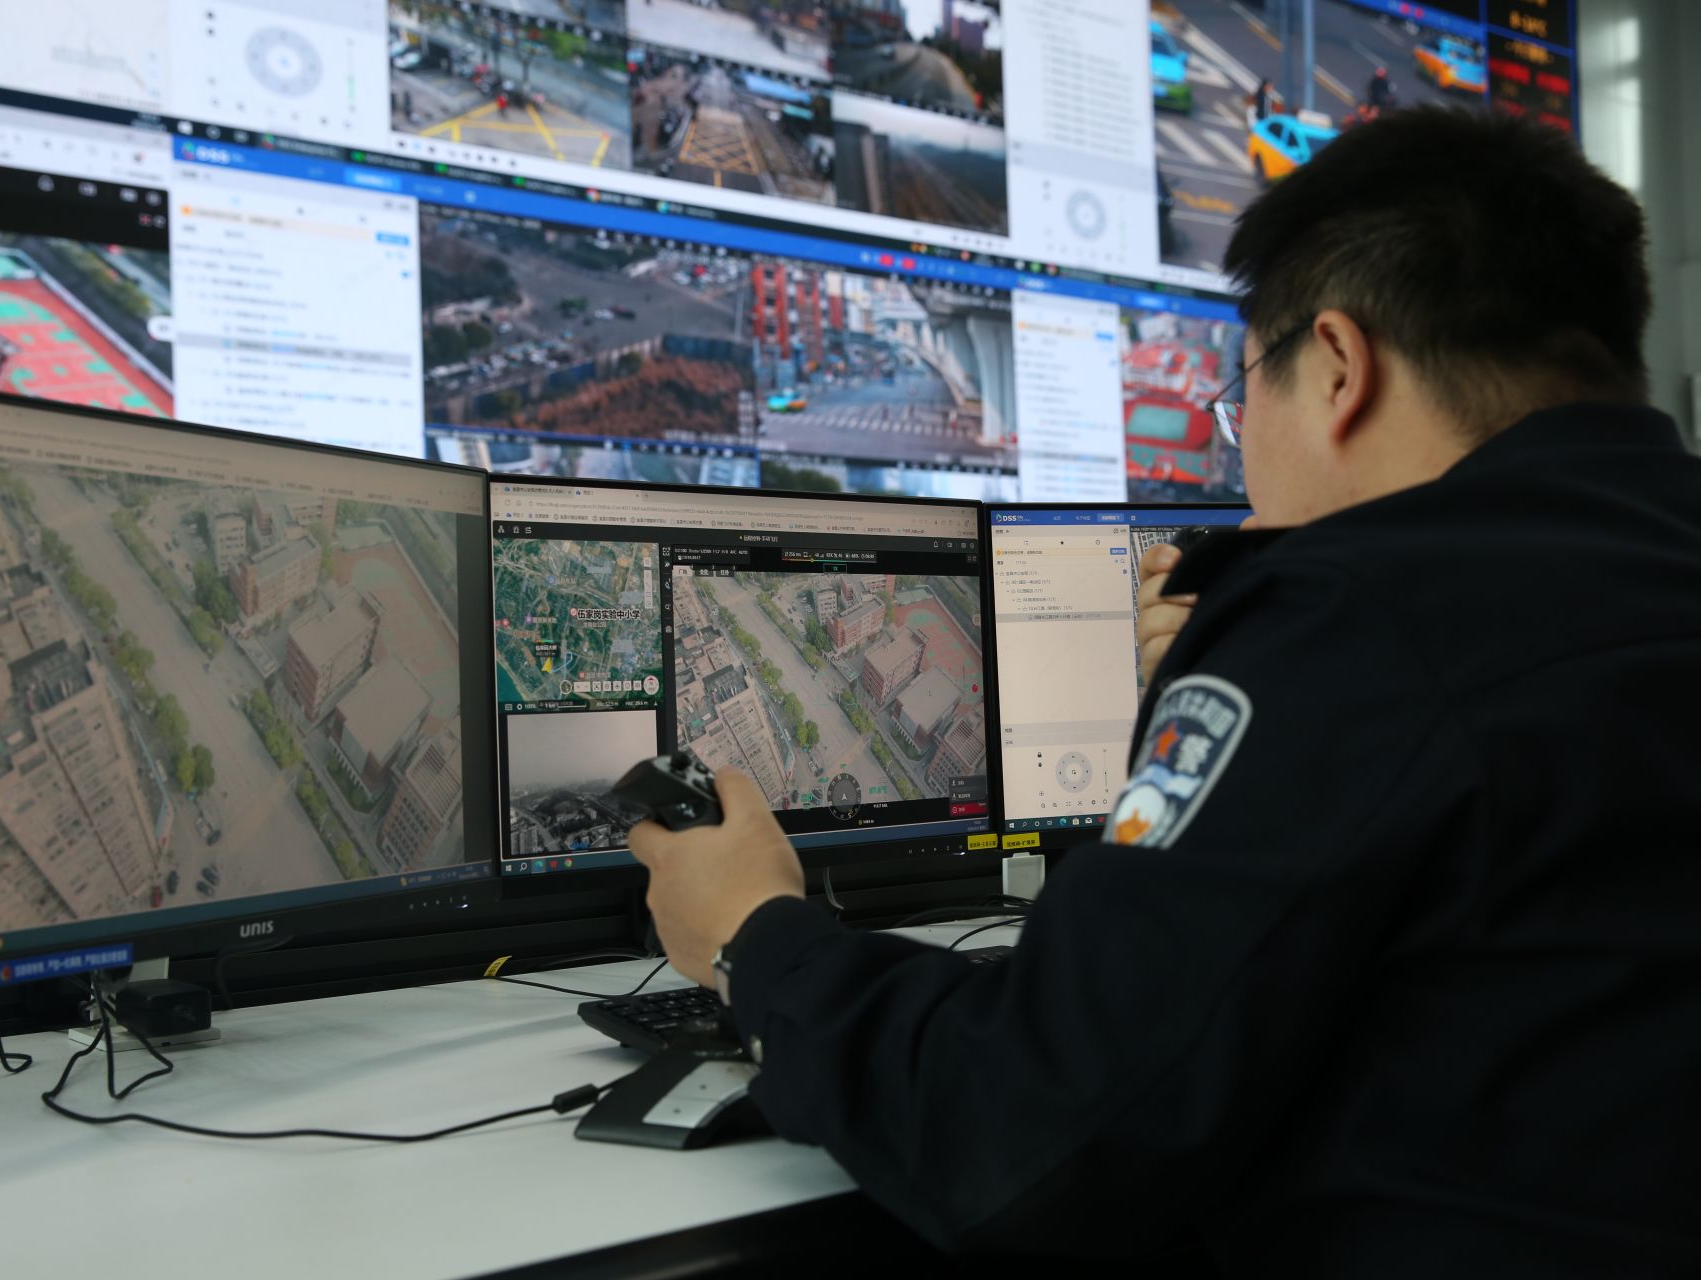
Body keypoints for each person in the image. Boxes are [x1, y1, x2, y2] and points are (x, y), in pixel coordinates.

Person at [630, 106, 1701, 1275]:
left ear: (1338, 367)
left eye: (1244, 399)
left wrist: (752, 935)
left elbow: (1015, 1134)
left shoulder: (1351, 614)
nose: (1242, 451)